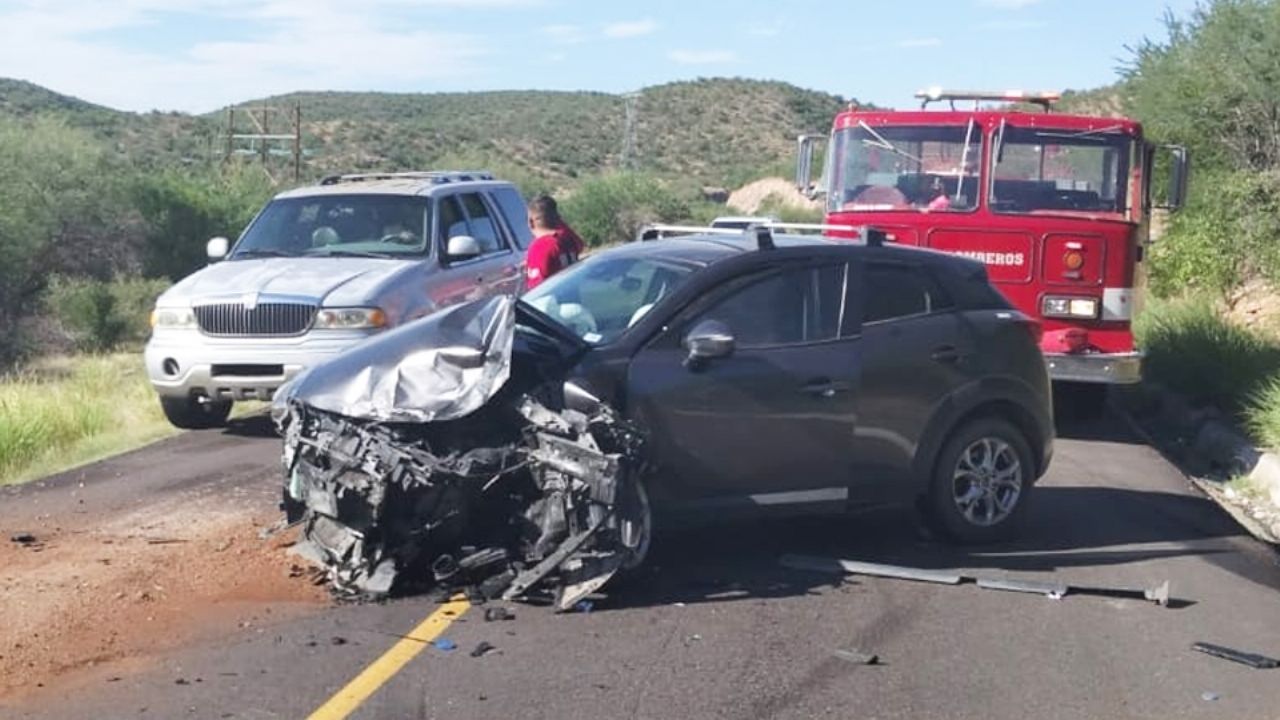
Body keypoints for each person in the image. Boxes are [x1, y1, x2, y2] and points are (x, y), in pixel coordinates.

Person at [525, 194, 584, 290]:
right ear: (557, 218)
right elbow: (580, 245)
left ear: (530, 222)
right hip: (573, 297)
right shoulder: (567, 239)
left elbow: (537, 289)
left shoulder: (540, 247)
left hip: (552, 302)